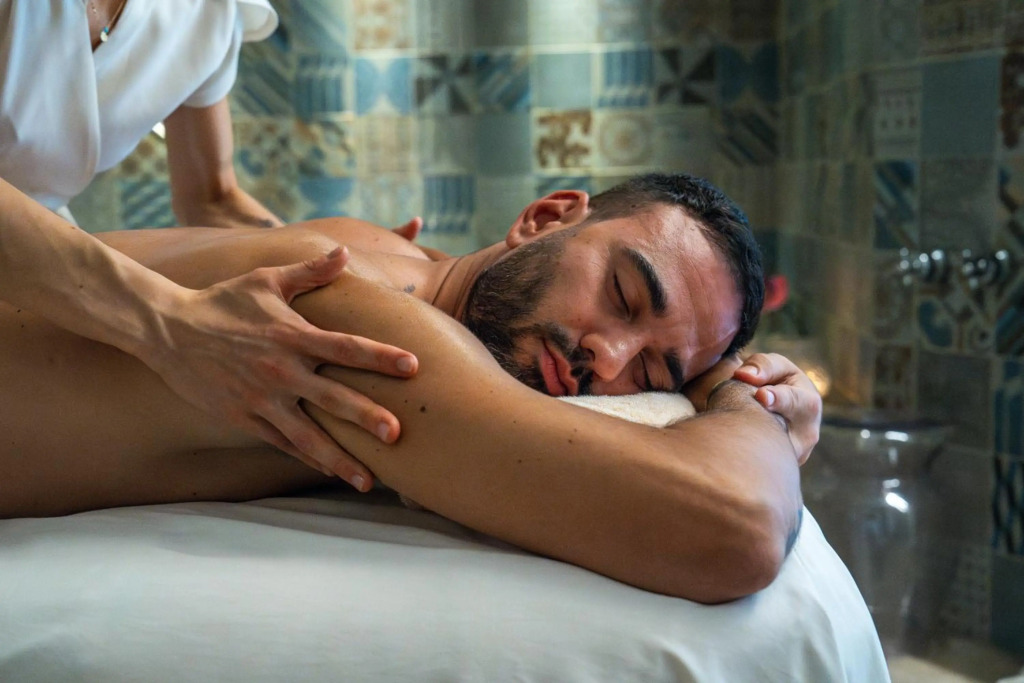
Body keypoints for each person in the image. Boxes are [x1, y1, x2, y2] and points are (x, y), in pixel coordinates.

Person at [0, 174, 821, 604]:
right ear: (544, 218)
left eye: (652, 373)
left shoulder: (387, 253)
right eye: (624, 294)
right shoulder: (364, 326)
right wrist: (743, 396)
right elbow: (734, 527)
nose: (607, 360)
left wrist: (719, 370)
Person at [0, 0, 422, 489]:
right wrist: (169, 321)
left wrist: (344, 259)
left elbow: (212, 198)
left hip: (50, 267)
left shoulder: (207, 12)